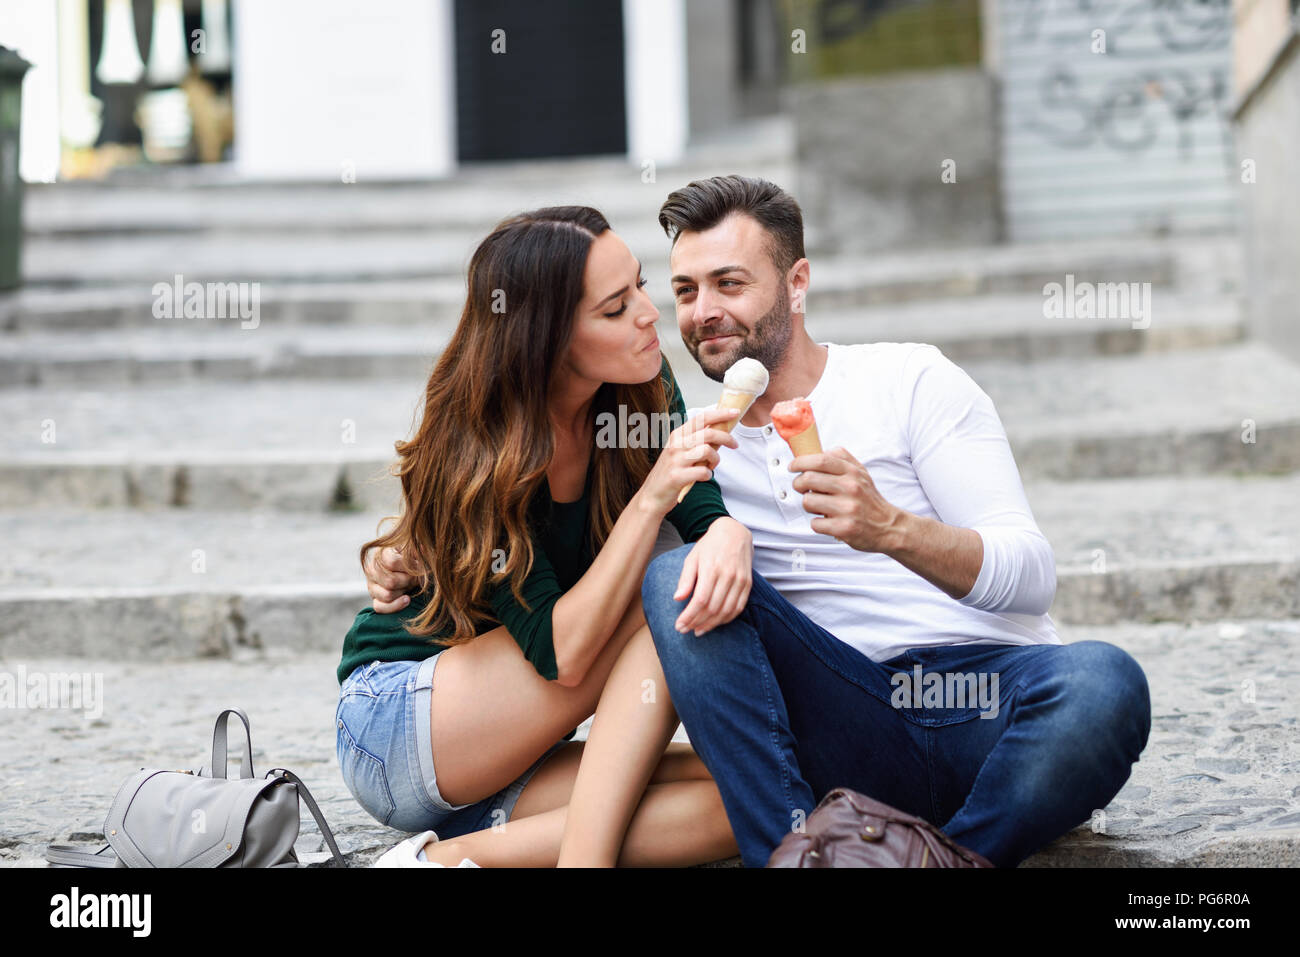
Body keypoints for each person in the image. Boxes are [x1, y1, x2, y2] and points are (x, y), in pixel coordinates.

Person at [617, 174, 1152, 867]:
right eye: (686, 291)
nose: (704, 311)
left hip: (985, 701)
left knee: (1103, 683)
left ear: (797, 283)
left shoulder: (909, 380)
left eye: (729, 283)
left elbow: (1032, 578)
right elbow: (604, 611)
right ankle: (789, 853)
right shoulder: (694, 456)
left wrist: (889, 528)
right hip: (845, 721)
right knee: (673, 579)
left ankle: (949, 857)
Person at [335, 205, 749, 867]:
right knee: (665, 589)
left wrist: (725, 529)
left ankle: (434, 861)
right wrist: (651, 501)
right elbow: (565, 651)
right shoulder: (483, 446)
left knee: (745, 798)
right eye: (614, 308)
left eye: (640, 286)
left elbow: (699, 502)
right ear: (548, 339)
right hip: (403, 723)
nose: (648, 314)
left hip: (511, 750)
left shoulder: (639, 383)